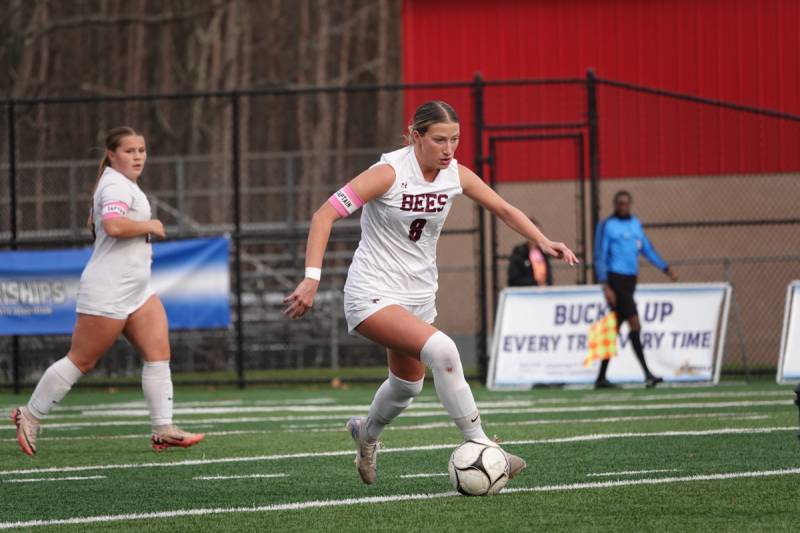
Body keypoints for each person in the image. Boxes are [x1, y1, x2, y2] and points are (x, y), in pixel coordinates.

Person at [283, 101, 578, 485]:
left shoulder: (455, 174)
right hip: (371, 292)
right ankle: (486, 445)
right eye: (439, 139)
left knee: (407, 386)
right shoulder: (387, 173)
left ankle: (365, 435)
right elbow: (324, 215)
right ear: (415, 136)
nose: (448, 148)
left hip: (419, 295)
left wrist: (542, 239)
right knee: (444, 350)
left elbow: (503, 208)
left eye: (455, 139)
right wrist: (311, 277)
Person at [10, 126, 204, 456]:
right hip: (108, 288)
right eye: (129, 150)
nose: (138, 156)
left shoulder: (121, 184)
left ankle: (163, 429)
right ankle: (28, 416)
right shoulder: (114, 183)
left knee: (158, 355)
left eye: (141, 150)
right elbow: (114, 226)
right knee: (82, 361)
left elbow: (101, 223)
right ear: (112, 154)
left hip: (137, 289)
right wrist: (151, 225)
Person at [593, 190, 678, 389]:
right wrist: (605, 285)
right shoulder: (607, 225)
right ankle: (647, 374)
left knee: (613, 329)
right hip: (616, 280)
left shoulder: (635, 224)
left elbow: (647, 249)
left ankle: (601, 377)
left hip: (630, 281)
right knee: (635, 324)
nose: (623, 207)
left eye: (626, 203)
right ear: (615, 204)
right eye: (620, 203)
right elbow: (599, 255)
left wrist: (665, 268)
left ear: (630, 205)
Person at [507, 217, 553, 287]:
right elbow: (513, 279)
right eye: (534, 234)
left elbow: (548, 278)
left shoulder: (543, 252)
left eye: (539, 234)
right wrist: (536, 283)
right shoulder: (519, 252)